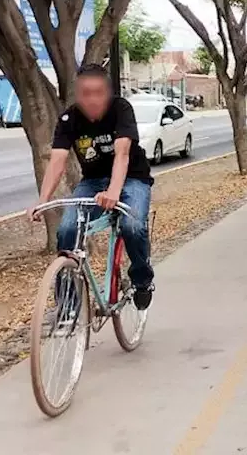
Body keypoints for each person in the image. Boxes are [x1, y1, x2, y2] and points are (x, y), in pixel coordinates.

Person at [30, 63, 155, 310]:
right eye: (86, 93)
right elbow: (57, 162)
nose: (92, 99)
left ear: (107, 92)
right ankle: (68, 308)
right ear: (78, 94)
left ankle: (142, 281)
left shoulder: (121, 109)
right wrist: (42, 200)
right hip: (92, 182)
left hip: (132, 178)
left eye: (98, 92)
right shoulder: (69, 119)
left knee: (132, 225)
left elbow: (122, 155)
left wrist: (113, 193)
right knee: (67, 230)